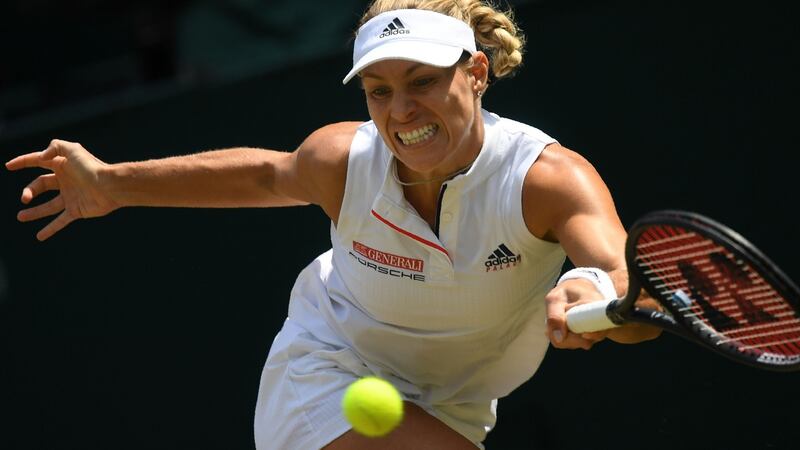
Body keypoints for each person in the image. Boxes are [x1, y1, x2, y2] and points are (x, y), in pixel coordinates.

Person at [6, 1, 661, 448]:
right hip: (330, 368)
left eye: (423, 81)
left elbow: (624, 286)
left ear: (477, 73)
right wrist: (112, 185)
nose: (402, 110)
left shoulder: (547, 179)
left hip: (457, 402)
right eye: (378, 90)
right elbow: (264, 175)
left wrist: (605, 301)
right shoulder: (342, 161)